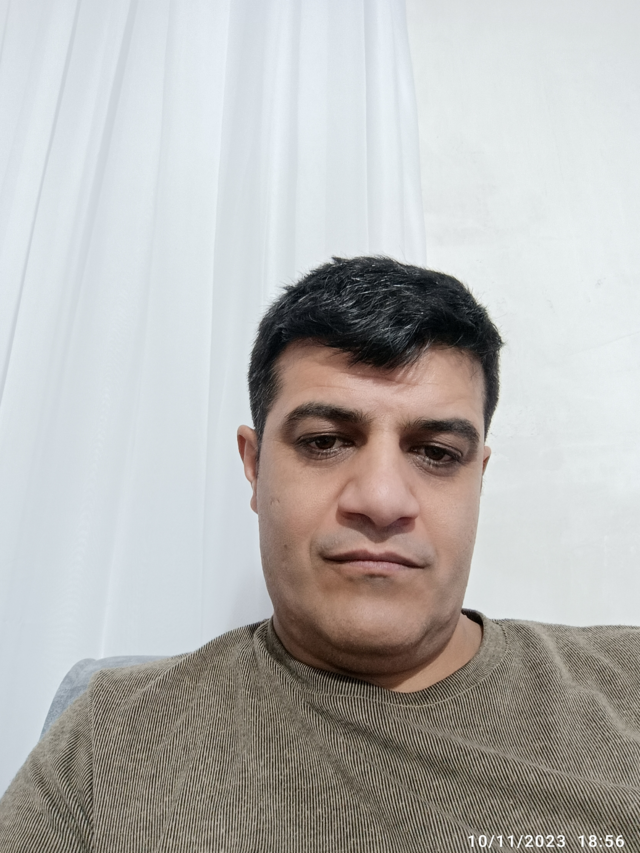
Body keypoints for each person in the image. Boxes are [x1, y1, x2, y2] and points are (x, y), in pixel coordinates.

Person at [1, 256, 638, 851]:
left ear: (478, 479)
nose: (382, 500)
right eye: (326, 442)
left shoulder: (626, 685)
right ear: (254, 467)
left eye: (436, 453)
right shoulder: (107, 743)